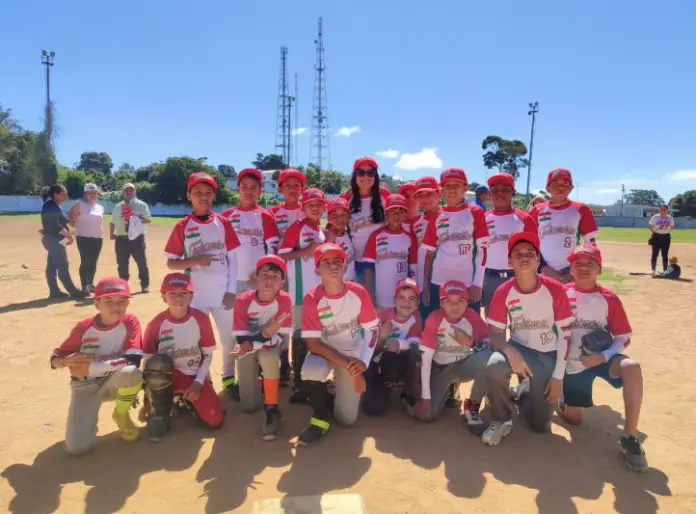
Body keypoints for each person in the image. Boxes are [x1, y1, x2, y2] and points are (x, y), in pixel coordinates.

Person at [558, 244, 647, 472]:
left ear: (599, 269)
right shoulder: (559, 294)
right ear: (571, 268)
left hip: (601, 358)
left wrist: (603, 356)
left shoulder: (608, 298)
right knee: (575, 419)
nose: (584, 268)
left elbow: (623, 337)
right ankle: (564, 401)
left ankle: (630, 438)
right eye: (578, 263)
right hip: (572, 366)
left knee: (632, 367)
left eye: (590, 264)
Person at [482, 231, 574, 446]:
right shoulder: (503, 291)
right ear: (509, 261)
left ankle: (524, 389)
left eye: (530, 253)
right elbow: (495, 333)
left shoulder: (555, 289)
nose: (524, 258)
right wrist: (509, 351)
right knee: (495, 365)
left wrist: (558, 377)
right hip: (519, 348)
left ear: (537, 259)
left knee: (539, 426)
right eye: (518, 254)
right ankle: (501, 419)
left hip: (548, 354)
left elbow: (565, 335)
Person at [164, 172, 241, 401]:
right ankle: (203, 379)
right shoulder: (183, 226)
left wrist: (231, 291)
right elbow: (171, 262)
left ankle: (228, 377)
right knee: (199, 342)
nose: (203, 197)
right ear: (189, 195)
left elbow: (233, 259)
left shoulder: (223, 222)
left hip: (222, 294)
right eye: (198, 192)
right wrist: (196, 261)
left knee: (229, 338)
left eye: (208, 193)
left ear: (213, 196)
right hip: (196, 297)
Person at [297, 243, 380, 446]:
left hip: (351, 353)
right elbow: (314, 344)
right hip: (325, 354)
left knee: (347, 420)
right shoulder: (311, 298)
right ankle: (320, 419)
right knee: (312, 370)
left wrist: (363, 362)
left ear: (345, 266)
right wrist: (354, 370)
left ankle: (329, 393)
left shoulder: (358, 292)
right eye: (326, 262)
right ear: (317, 270)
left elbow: (372, 329)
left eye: (338, 261)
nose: (333, 266)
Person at [49, 277, 143, 454]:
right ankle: (85, 424)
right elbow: (55, 358)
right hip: (85, 385)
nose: (116, 306)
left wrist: (93, 368)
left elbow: (134, 359)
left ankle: (121, 413)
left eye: (122, 301)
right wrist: (64, 362)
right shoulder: (83, 328)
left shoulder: (130, 322)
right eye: (108, 301)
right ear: (96, 303)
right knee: (76, 448)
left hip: (114, 381)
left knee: (132, 373)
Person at [140, 273, 224, 442]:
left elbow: (207, 353)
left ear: (191, 296)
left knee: (214, 419)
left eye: (183, 293)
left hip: (194, 377)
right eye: (172, 293)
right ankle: (161, 412)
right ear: (164, 297)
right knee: (157, 363)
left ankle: (181, 401)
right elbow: (147, 364)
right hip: (169, 376)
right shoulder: (156, 324)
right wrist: (147, 399)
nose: (178, 298)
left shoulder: (200, 319)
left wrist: (199, 382)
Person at [410, 281, 492, 435]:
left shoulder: (472, 316)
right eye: (449, 301)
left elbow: (491, 344)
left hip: (465, 364)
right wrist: (426, 397)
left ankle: (472, 404)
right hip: (441, 368)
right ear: (441, 303)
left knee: (489, 359)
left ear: (467, 302)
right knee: (427, 416)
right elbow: (426, 358)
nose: (455, 306)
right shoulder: (434, 319)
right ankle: (448, 388)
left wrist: (471, 342)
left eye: (460, 301)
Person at [232, 255, 292, 440]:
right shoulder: (243, 300)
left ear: (281, 282)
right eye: (264, 274)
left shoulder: (284, 300)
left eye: (275, 276)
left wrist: (261, 338)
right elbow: (242, 337)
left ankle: (271, 408)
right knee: (249, 406)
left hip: (270, 343)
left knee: (268, 357)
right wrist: (263, 334)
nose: (268, 280)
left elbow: (278, 335)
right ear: (255, 277)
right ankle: (261, 382)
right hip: (248, 343)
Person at [422, 168, 489, 313]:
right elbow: (429, 256)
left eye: (457, 185)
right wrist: (426, 286)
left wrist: (477, 283)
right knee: (438, 329)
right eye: (447, 186)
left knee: (469, 330)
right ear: (442, 190)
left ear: (465, 188)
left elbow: (483, 251)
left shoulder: (475, 212)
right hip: (438, 282)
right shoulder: (436, 216)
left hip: (467, 283)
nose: (452, 190)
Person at [362, 278, 422, 416]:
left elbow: (416, 342)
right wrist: (382, 337)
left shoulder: (416, 318)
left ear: (417, 304)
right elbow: (367, 350)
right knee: (373, 408)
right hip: (375, 362)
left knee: (415, 355)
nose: (406, 303)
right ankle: (376, 386)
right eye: (401, 298)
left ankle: (408, 391)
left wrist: (399, 343)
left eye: (411, 299)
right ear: (394, 300)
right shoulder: (381, 317)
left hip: (395, 363)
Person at [529, 168, 599, 284]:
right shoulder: (537, 210)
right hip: (542, 270)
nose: (560, 187)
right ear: (547, 188)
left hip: (570, 271)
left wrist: (574, 271)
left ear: (571, 188)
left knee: (570, 302)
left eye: (565, 183)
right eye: (555, 183)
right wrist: (543, 267)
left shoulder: (580, 209)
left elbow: (590, 244)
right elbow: (530, 243)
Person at [482, 173, 536, 314]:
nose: (500, 194)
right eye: (494, 190)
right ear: (489, 194)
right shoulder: (482, 219)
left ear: (513, 193)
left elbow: (533, 252)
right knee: (494, 325)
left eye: (505, 189)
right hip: (490, 278)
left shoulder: (525, 219)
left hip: (518, 276)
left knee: (520, 323)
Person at [222, 168, 279, 292]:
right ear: (238, 188)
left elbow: (273, 249)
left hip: (255, 279)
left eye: (254, 187)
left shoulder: (265, 216)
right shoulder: (226, 216)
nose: (248, 191)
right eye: (244, 186)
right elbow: (220, 249)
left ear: (260, 191)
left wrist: (261, 273)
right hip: (230, 280)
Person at [278, 188, 327, 325]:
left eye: (319, 204)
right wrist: (304, 252)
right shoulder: (296, 228)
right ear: (303, 207)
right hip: (300, 295)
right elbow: (280, 257)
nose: (315, 208)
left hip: (319, 294)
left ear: (324, 208)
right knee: (300, 339)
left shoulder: (321, 231)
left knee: (319, 336)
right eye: (310, 204)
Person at [363, 194, 418, 311]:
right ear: (386, 213)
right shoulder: (375, 236)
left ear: (405, 214)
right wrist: (369, 295)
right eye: (392, 211)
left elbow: (413, 268)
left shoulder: (410, 237)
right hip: (381, 297)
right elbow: (368, 268)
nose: (397, 215)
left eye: (401, 211)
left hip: (403, 300)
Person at [342, 156, 390, 286]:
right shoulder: (347, 197)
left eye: (370, 173)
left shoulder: (384, 195)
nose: (365, 177)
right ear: (354, 176)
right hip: (356, 261)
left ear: (376, 176)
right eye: (361, 173)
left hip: (383, 260)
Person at [40, 184, 88, 299]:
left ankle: (54, 291)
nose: (66, 195)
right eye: (63, 193)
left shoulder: (54, 205)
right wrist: (69, 236)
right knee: (62, 265)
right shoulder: (50, 206)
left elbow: (63, 220)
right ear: (55, 195)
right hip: (54, 240)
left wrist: (74, 214)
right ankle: (74, 291)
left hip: (54, 240)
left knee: (52, 266)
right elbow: (54, 225)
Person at [110, 183, 152, 293]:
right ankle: (123, 285)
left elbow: (148, 220)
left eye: (131, 190)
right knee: (122, 263)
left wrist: (134, 217)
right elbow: (112, 221)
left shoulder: (142, 205)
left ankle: (145, 285)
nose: (129, 192)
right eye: (126, 191)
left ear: (135, 192)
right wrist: (111, 233)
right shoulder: (118, 206)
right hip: (121, 238)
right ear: (123, 192)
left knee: (142, 263)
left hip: (137, 239)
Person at [68, 183, 105, 293]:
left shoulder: (100, 207)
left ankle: (90, 283)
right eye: (90, 193)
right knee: (86, 261)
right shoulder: (79, 204)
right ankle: (84, 285)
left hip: (98, 238)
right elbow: (70, 218)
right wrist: (74, 229)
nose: (93, 195)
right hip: (83, 237)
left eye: (95, 193)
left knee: (93, 262)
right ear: (85, 194)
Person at [411, 176, 441, 304]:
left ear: (439, 194)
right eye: (420, 195)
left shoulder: (450, 217)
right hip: (422, 280)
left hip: (444, 279)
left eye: (429, 193)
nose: (425, 199)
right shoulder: (415, 223)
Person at [324, 197, 356, 282]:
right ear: (328, 217)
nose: (339, 219)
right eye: (334, 215)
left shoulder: (347, 234)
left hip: (350, 283)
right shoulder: (327, 236)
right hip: (336, 286)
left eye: (343, 214)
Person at [270, 168, 307, 240]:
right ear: (280, 190)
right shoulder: (272, 213)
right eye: (287, 185)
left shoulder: (308, 210)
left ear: (302, 189)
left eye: (296, 185)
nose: (292, 189)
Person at [649, 205, 674, 276]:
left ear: (667, 211)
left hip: (666, 237)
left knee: (665, 255)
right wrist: (655, 232)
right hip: (656, 237)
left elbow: (672, 226)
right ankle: (653, 270)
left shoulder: (670, 218)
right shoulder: (655, 217)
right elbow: (650, 225)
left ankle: (665, 271)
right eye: (662, 209)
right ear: (659, 210)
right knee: (654, 254)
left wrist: (666, 231)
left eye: (665, 210)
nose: (663, 211)